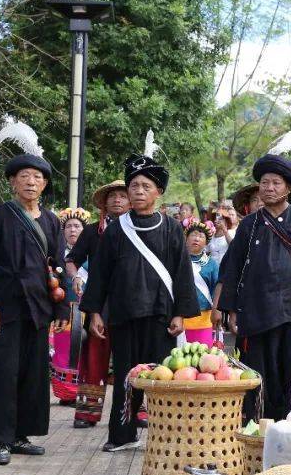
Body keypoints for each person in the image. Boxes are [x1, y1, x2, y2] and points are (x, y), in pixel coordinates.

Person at [81, 131, 198, 452]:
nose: (138, 191)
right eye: (134, 186)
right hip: (123, 314)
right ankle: (122, 434)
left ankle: (165, 437)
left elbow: (182, 274)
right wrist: (94, 312)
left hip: (161, 315)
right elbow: (100, 275)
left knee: (163, 377)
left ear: (158, 192)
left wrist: (179, 313)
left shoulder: (172, 229)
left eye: (146, 186)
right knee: (126, 377)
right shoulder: (117, 229)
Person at [0, 119, 69, 465]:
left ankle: (21, 435)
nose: (31, 181)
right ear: (12, 182)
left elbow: (58, 266)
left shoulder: (51, 221)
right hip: (5, 308)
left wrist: (62, 310)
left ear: (44, 185)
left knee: (32, 375)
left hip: (39, 309)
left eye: (38, 177)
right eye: (24, 176)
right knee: (2, 373)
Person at [219, 130, 291, 422]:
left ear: (288, 188)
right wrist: (230, 308)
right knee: (259, 374)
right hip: (256, 313)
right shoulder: (249, 225)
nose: (268, 188)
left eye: (276, 183)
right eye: (264, 182)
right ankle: (259, 433)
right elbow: (233, 269)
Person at [69, 181, 130, 429]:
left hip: (132, 303)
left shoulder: (142, 229)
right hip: (100, 304)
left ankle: (136, 411)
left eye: (122, 196)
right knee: (95, 357)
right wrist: (75, 277)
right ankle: (87, 412)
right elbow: (72, 259)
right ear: (104, 203)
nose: (117, 200)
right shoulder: (93, 231)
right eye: (112, 196)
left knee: (132, 359)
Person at [51, 207, 93, 406]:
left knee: (87, 351)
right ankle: (66, 393)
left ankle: (84, 391)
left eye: (77, 226)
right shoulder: (58, 254)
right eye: (68, 226)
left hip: (89, 309)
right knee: (64, 350)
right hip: (65, 309)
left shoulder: (93, 252)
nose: (73, 230)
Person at [181, 217, 221, 347]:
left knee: (204, 358)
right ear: (186, 239)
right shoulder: (177, 261)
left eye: (201, 236)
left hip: (204, 318)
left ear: (206, 242)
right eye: (193, 235)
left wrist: (217, 310)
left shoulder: (212, 264)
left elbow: (217, 288)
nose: (196, 239)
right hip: (180, 317)